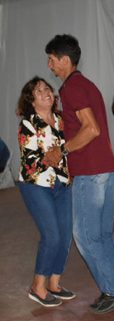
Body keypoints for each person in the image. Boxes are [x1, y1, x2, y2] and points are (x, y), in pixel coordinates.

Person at [44, 34, 114, 314]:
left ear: (65, 60)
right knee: (102, 234)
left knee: (85, 235)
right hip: (104, 168)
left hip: (91, 171)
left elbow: (91, 128)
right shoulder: (86, 85)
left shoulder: (71, 88)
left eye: (52, 60)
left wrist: (62, 151)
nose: (49, 65)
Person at [16, 77, 74, 308]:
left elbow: (69, 150)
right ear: (31, 101)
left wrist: (61, 158)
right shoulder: (28, 124)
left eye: (47, 88)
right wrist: (58, 154)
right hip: (36, 184)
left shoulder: (61, 120)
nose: (45, 92)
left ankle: (54, 283)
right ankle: (37, 286)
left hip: (62, 184)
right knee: (52, 236)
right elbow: (30, 161)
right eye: (38, 91)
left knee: (65, 235)